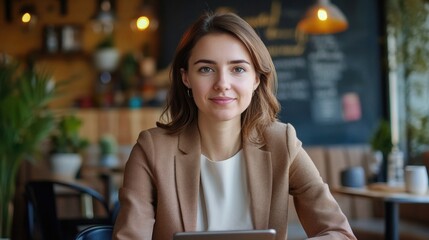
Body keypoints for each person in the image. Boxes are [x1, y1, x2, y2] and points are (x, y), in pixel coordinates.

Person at [113, 11, 356, 240]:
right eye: (206, 69)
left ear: (256, 79)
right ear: (186, 77)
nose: (222, 83)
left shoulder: (282, 142)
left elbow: (338, 233)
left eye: (238, 69)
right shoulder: (151, 150)